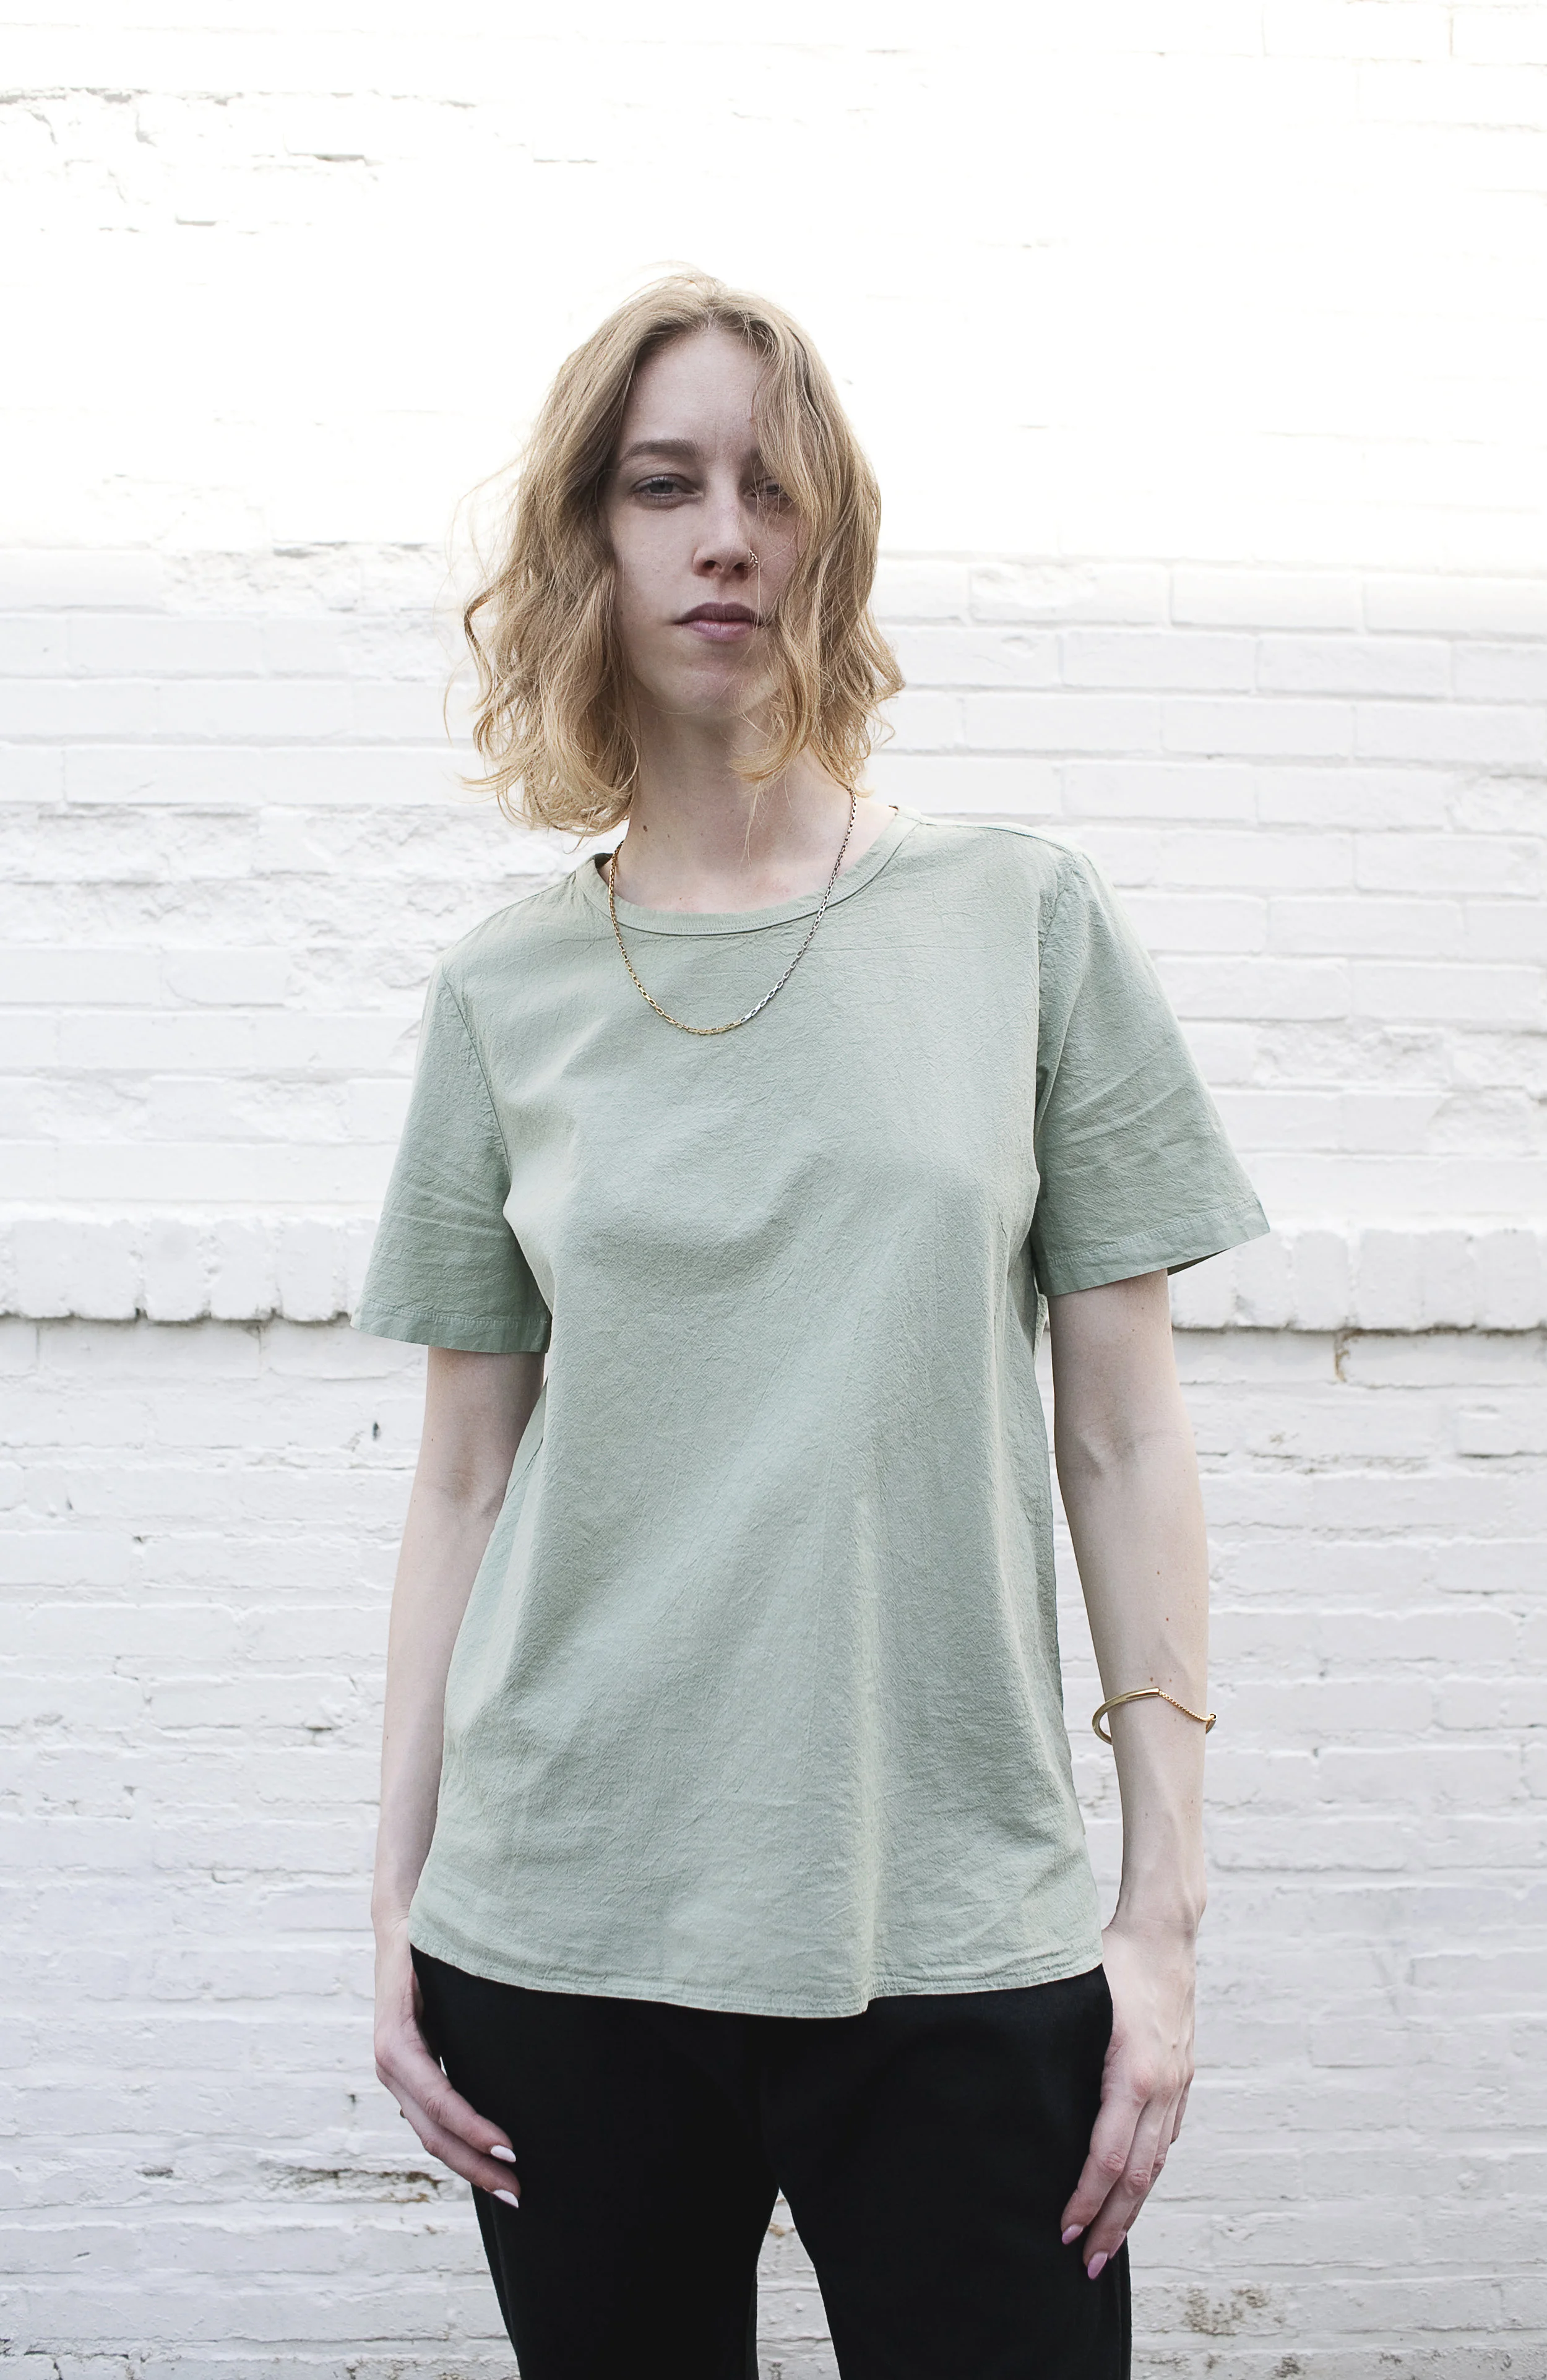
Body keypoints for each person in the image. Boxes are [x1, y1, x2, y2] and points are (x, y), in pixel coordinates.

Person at [357, 272, 1269, 2380]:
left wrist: (1161, 1913)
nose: (722, 537)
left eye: (771, 490)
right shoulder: (505, 991)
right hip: (560, 1928)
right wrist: (391, 1904)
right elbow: (464, 1477)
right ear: (587, 542)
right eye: (662, 485)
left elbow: (1123, 1437)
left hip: (954, 1923)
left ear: (833, 536)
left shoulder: (1018, 920)